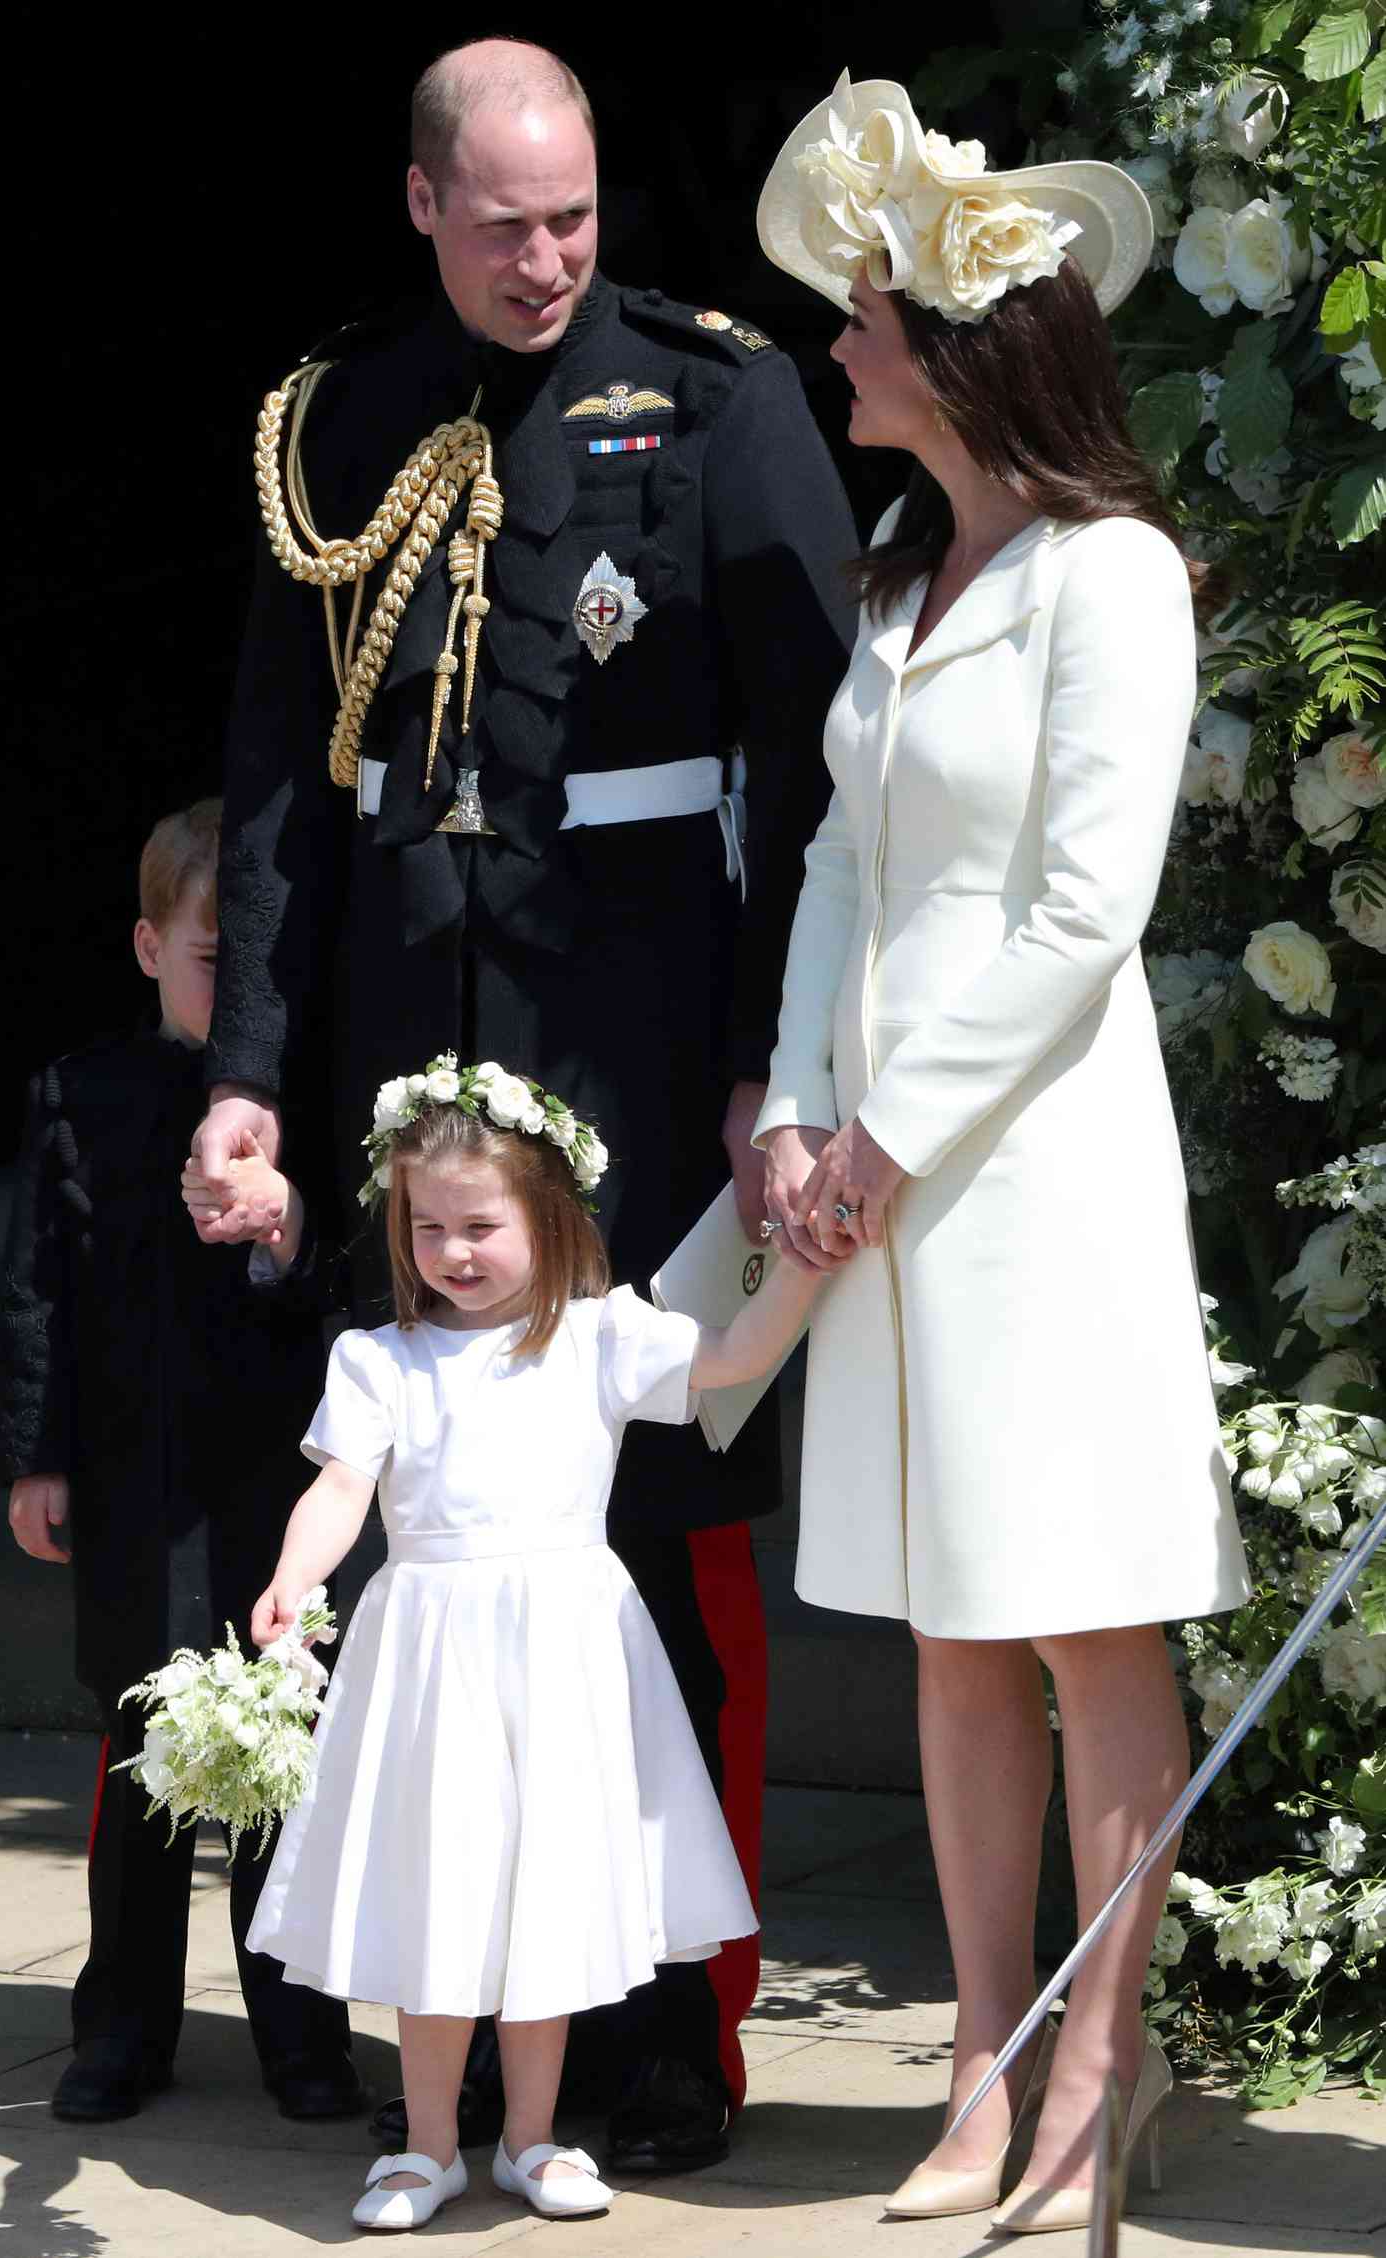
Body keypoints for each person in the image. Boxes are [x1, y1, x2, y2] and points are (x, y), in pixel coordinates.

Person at [190, 35, 858, 2169]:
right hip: (412, 1022)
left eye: (574, 217)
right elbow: (289, 792)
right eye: (504, 224)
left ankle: (671, 2018)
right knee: (388, 1521)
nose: (548, 257)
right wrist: (248, 1084)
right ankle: (373, 2007)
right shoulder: (345, 419)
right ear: (421, 207)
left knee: (644, 1541)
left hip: (644, 1039)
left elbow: (813, 760)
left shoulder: (720, 391)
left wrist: (778, 1055)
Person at [750, 75, 1251, 2235]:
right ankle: (980, 2056)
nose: (839, 346)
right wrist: (790, 1112)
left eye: (864, 314)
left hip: (1031, 1168)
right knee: (958, 1629)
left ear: (962, 346)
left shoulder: (1108, 575)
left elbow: (1081, 911)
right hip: (878, 1167)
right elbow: (845, 878)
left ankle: (1102, 2059)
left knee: (1078, 1622)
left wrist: (890, 1129)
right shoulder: (897, 584)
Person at [239, 1057, 838, 2231]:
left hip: (562, 1651)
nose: (454, 1251)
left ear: (548, 1220)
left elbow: (728, 1357)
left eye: (481, 1225)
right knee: (442, 1891)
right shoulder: (381, 1359)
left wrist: (804, 1272)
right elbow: (341, 1486)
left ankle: (530, 2134)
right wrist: (292, 1576)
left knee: (545, 1894)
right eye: (429, 1227)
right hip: (431, 1658)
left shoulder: (597, 1337)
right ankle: (424, 2145)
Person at [0, 798, 359, 2125]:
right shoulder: (84, 1093)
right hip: (136, 1473)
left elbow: (335, 1283)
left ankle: (301, 2029)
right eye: (213, 958)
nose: (234, 989)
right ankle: (123, 2024)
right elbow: (38, 1288)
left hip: (267, 1468)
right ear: (152, 948)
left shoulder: (298, 1104)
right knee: (145, 1751)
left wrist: (283, 1230)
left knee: (277, 1751)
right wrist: (39, 1455)